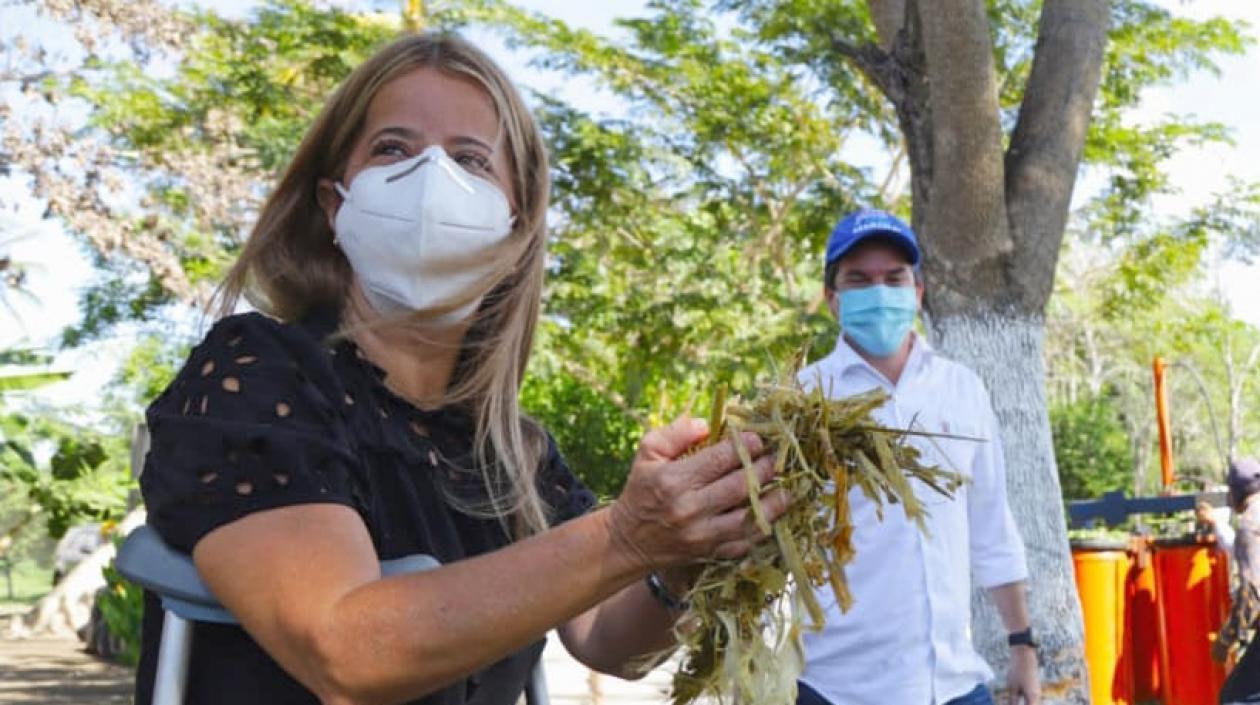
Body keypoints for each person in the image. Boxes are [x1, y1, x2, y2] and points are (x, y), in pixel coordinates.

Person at [134, 33, 790, 705]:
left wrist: (675, 559)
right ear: (335, 205)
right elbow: (344, 648)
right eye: (392, 148)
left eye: (471, 160)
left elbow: (608, 642)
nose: (431, 180)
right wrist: (625, 534)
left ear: (514, 227)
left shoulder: (515, 452)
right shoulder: (258, 376)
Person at [794, 209, 1039, 705]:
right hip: (837, 688)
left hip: (954, 682)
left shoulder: (961, 389)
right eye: (859, 279)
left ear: (918, 291)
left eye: (894, 278)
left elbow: (992, 527)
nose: (879, 292)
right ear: (832, 299)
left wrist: (1022, 645)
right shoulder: (801, 400)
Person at [1210, 459, 1260, 704]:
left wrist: (1226, 638)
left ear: (1236, 491)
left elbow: (1251, 592)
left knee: (1236, 698)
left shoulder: (1249, 528)